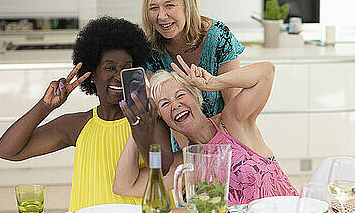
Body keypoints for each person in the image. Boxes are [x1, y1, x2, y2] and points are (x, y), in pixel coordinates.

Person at [0, 16, 170, 211]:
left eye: (126, 69)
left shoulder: (150, 119)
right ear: (92, 74)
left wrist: (142, 129)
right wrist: (46, 106)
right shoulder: (77, 124)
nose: (118, 77)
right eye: (109, 68)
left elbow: (162, 169)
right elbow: (7, 151)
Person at [113, 56, 298, 205]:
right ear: (163, 119)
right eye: (164, 104)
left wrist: (213, 83)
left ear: (196, 95)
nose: (175, 105)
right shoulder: (186, 162)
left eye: (180, 95)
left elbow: (266, 72)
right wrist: (138, 123)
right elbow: (125, 186)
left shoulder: (232, 121)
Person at [142, 0, 244, 150]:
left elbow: (234, 108)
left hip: (227, 144)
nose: (161, 16)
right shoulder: (151, 51)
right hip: (184, 150)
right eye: (154, 8)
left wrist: (221, 153)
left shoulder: (217, 37)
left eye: (169, 5)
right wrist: (191, 158)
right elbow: (169, 119)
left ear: (187, 5)